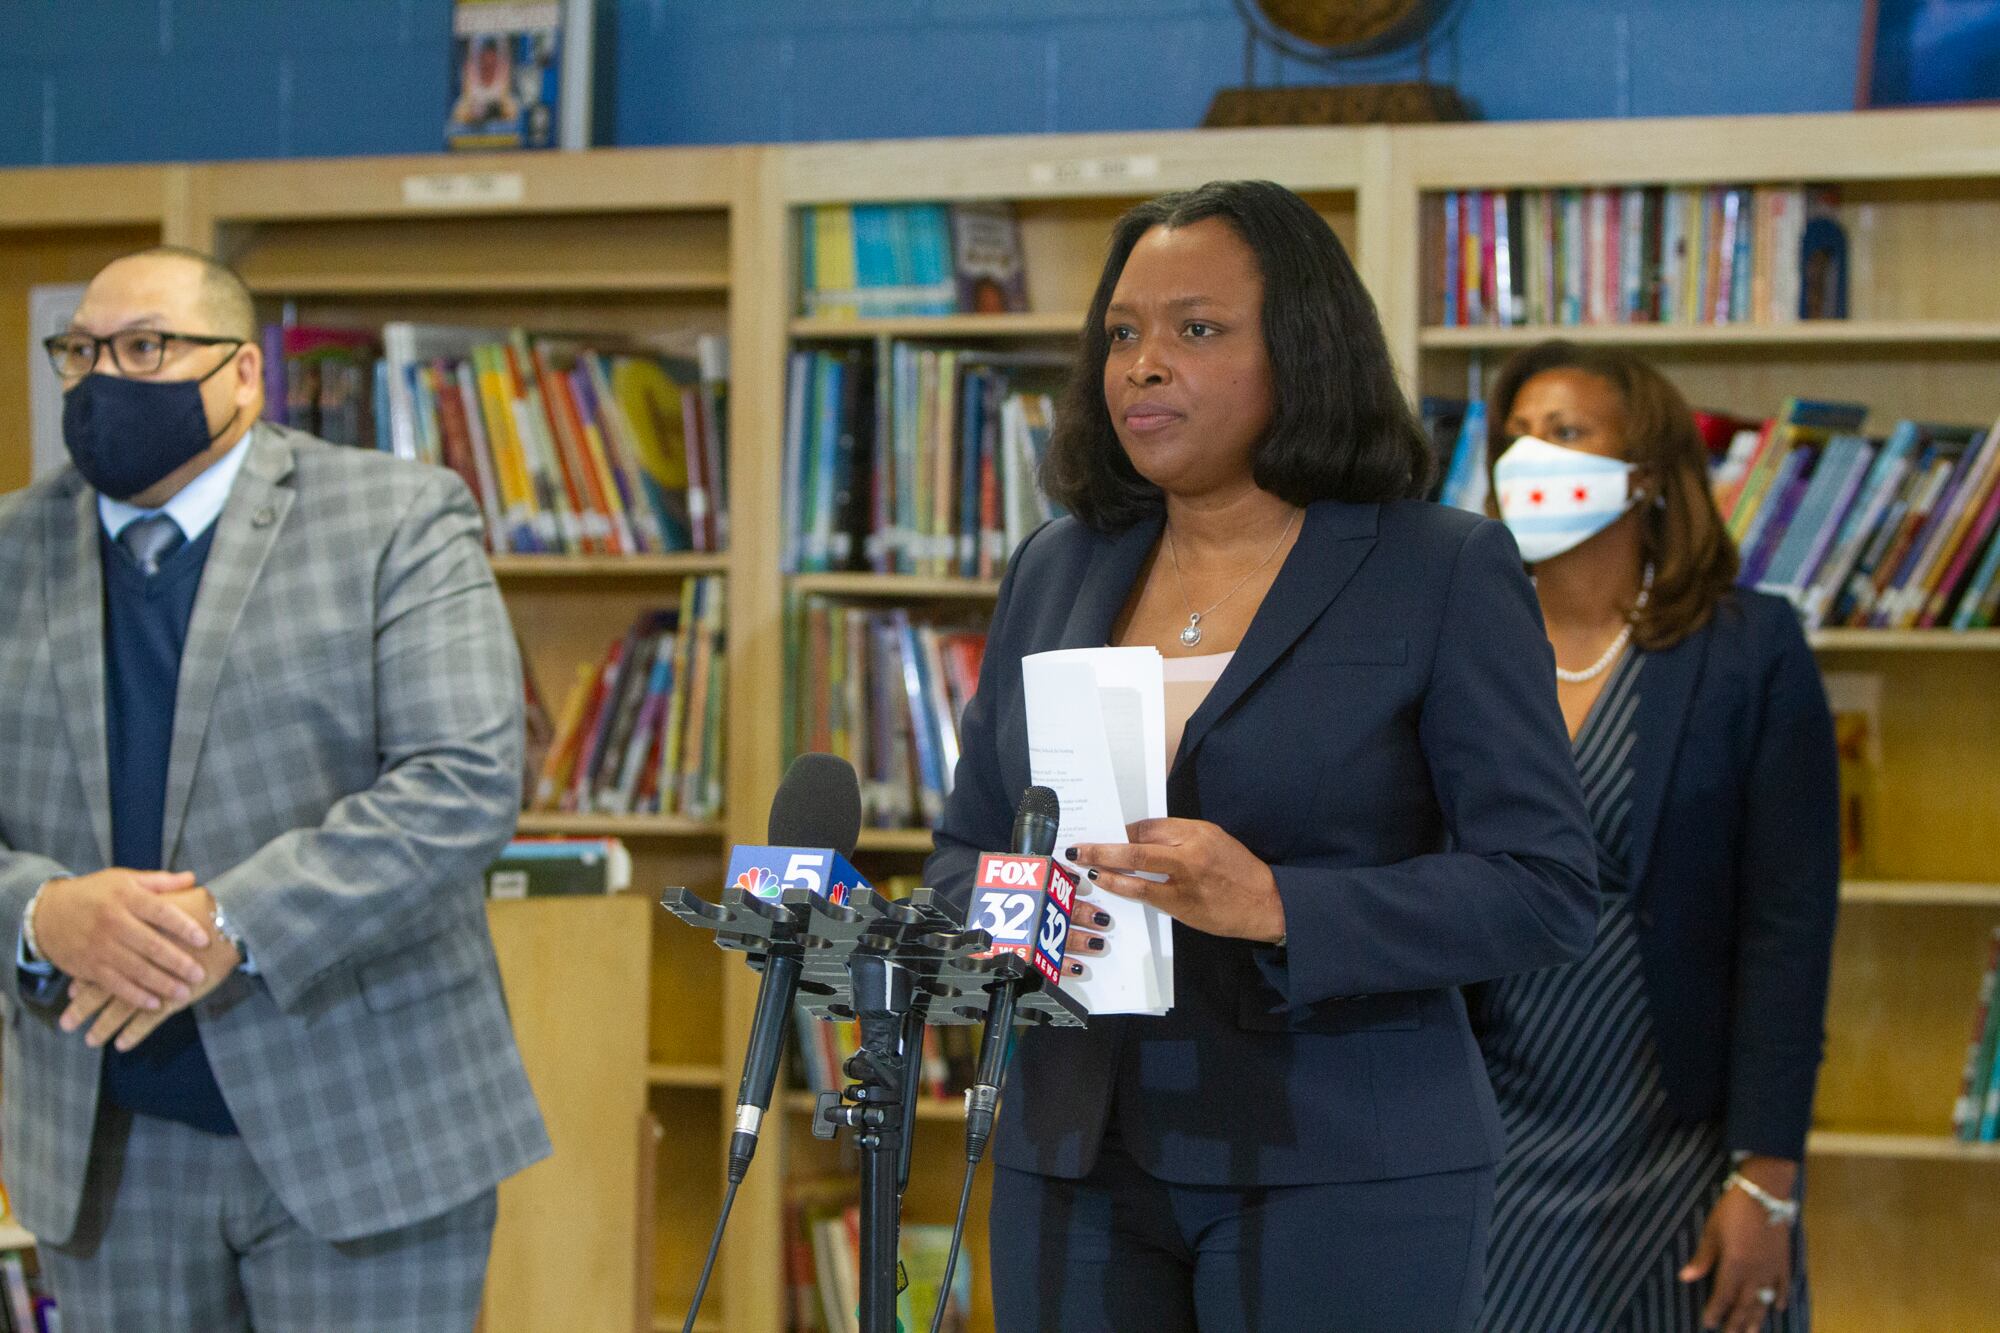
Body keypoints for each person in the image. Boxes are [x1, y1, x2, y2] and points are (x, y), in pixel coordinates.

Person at [923, 181, 1598, 1333]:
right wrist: (1012, 914)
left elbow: (1542, 889)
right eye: (1121, 333)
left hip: (1343, 1158)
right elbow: (967, 851)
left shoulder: (1437, 569)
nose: (1142, 364)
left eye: (1195, 330)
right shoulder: (1055, 565)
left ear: (1299, 349)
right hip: (1075, 1151)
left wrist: (1279, 905)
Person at [0, 247, 549, 1331]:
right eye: (80, 352)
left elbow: (463, 779)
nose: (105, 376)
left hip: (365, 1129)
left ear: (244, 374)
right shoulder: (10, 549)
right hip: (110, 1149)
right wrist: (40, 910)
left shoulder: (393, 519)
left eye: (146, 347)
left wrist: (229, 923)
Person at [1472, 340, 1840, 1333]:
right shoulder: (1464, 646)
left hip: (1684, 1139)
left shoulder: (1747, 649)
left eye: (1563, 433)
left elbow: (1786, 929)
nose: (1528, 458)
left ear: (1641, 473)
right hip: (1491, 1131)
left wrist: (1766, 1179)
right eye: (1513, 437)